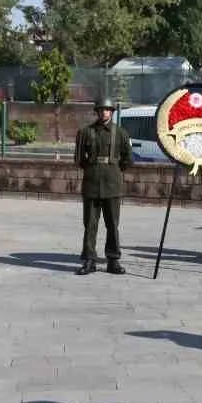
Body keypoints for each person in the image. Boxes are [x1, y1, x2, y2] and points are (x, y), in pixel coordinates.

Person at [72, 98, 133, 275]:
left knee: (112, 224)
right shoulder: (85, 132)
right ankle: (90, 260)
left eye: (107, 110)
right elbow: (79, 159)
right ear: (97, 112)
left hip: (112, 183)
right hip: (91, 182)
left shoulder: (120, 133)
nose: (104, 112)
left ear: (112, 112)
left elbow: (128, 159)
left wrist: (113, 169)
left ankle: (113, 260)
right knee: (90, 224)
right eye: (101, 110)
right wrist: (93, 168)